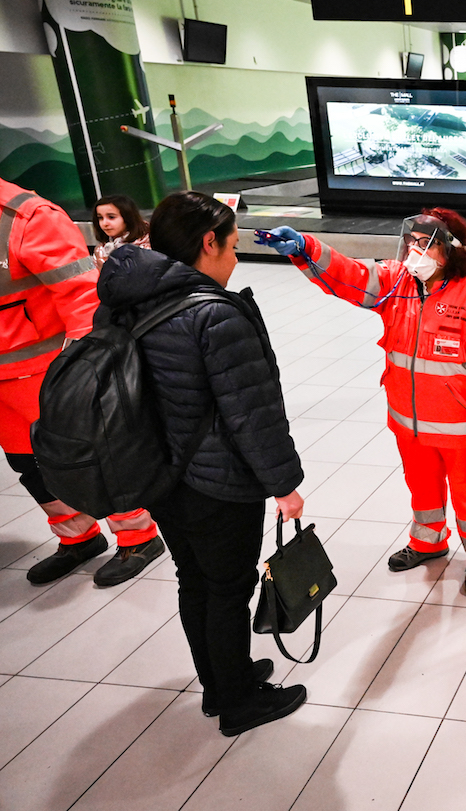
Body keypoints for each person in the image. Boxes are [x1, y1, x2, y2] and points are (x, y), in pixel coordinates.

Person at [97, 191, 306, 736]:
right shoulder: (214, 313)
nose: (236, 259)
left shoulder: (127, 297)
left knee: (194, 581)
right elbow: (251, 412)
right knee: (229, 590)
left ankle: (219, 682)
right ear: (208, 242)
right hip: (218, 482)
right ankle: (238, 703)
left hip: (161, 474)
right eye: (233, 246)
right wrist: (284, 485)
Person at [261, 209, 466, 595]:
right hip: (408, 422)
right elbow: (348, 275)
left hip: (460, 430)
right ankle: (429, 543)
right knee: (422, 488)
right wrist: (304, 248)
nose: (415, 251)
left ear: (451, 250)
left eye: (425, 244)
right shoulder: (398, 283)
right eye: (411, 242)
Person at [0, 177, 164, 588]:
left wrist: (83, 367)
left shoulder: (27, 215)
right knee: (26, 464)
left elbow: (80, 295)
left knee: (91, 454)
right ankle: (78, 537)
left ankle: (138, 536)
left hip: (45, 370)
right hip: (4, 382)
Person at [91, 194, 149, 269]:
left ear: (128, 218)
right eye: (100, 218)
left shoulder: (146, 249)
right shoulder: (100, 250)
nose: (105, 223)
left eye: (111, 217)